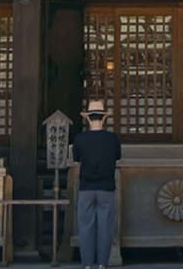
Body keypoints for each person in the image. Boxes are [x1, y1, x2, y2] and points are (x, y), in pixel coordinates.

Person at [73, 99, 121, 269]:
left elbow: (76, 159)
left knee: (86, 228)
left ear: (88, 118)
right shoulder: (112, 139)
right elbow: (117, 156)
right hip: (106, 187)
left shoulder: (80, 139)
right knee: (105, 228)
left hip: (86, 187)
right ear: (103, 118)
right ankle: (102, 263)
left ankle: (87, 264)